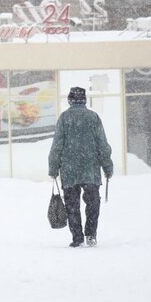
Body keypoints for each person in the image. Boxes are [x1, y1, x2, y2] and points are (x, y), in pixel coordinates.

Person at [47, 87, 113, 248]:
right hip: (90, 169)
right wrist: (107, 167)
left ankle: (77, 237)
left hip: (69, 170)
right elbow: (102, 144)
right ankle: (91, 234)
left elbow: (57, 145)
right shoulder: (93, 117)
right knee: (92, 203)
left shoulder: (64, 118)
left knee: (72, 205)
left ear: (70, 100)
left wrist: (53, 167)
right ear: (84, 101)